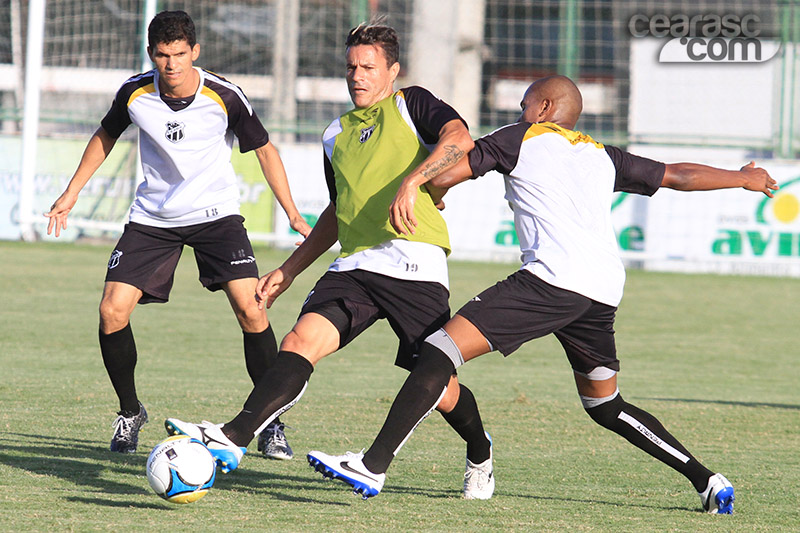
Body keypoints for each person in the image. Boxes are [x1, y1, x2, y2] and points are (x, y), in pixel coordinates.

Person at [306, 75, 778, 513]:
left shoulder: (520, 136)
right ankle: (708, 480)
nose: (519, 106)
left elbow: (454, 167)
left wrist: (424, 185)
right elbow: (677, 175)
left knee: (438, 351)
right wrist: (744, 177)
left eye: (524, 100)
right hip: (601, 291)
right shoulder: (602, 154)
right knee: (606, 405)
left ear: (544, 107)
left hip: (551, 281)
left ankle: (372, 464)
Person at [164, 19, 497, 500]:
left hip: (413, 261)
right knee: (301, 340)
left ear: (392, 71)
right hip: (355, 266)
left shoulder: (412, 104)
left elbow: (459, 139)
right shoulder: (334, 134)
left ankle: (480, 452)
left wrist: (413, 181)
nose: (357, 75)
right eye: (350, 67)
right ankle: (234, 436)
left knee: (439, 385)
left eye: (368, 67)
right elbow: (338, 213)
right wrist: (290, 269)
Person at [44, 10, 311, 459]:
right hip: (153, 219)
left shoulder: (224, 95)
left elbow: (265, 150)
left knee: (252, 309)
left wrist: (293, 213)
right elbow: (105, 136)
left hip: (216, 217)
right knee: (112, 311)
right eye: (163, 56)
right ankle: (130, 412)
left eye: (180, 55)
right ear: (151, 54)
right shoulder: (134, 92)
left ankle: (269, 421)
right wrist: (71, 192)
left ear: (195, 52)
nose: (171, 65)